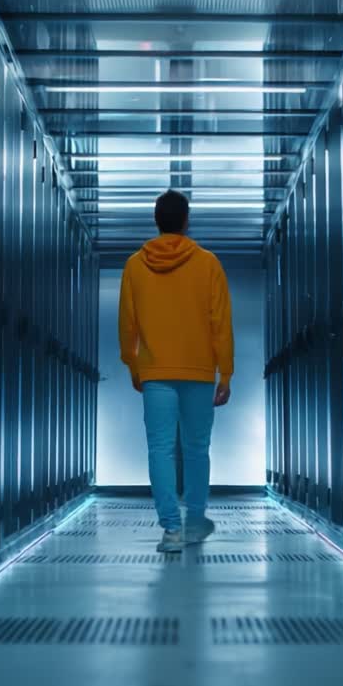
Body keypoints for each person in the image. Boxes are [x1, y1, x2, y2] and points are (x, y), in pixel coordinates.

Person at [118, 190, 234, 553]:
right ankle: (195, 523)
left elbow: (127, 324)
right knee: (197, 449)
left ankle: (171, 530)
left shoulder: (135, 265)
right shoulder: (208, 263)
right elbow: (220, 322)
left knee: (160, 450)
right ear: (186, 221)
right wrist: (226, 373)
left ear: (156, 221)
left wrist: (134, 366)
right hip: (199, 371)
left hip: (155, 372)